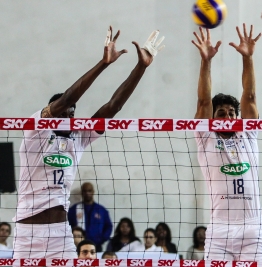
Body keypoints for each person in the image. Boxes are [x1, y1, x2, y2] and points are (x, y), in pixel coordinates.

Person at [12, 27, 164, 259]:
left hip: (60, 235)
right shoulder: (36, 129)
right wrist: (104, 63)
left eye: (72, 114)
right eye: (62, 113)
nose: (68, 117)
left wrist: (140, 67)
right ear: (51, 113)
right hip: (28, 233)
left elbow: (113, 106)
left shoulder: (79, 137)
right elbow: (68, 99)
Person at [192, 24, 262, 261]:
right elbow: (203, 102)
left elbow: (250, 96)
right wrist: (206, 61)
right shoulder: (206, 137)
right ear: (213, 118)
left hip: (252, 229)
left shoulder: (248, 134)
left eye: (232, 113)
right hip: (219, 230)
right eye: (221, 113)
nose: (227, 117)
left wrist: (248, 57)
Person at [68, 182, 113, 252]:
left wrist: (101, 239)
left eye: (89, 190)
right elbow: (68, 226)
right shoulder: (74, 209)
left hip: (96, 246)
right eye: (85, 191)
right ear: (82, 192)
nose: (87, 193)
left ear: (93, 192)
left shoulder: (101, 210)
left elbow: (108, 226)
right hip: (77, 247)